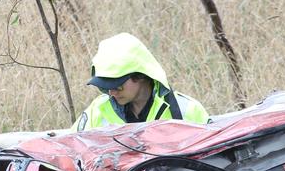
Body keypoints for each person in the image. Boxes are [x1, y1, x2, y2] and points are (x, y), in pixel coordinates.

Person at [72, 33, 209, 131]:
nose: (111, 92)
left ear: (141, 75)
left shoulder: (187, 111)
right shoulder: (96, 112)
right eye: (105, 86)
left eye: (117, 85)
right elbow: (69, 153)